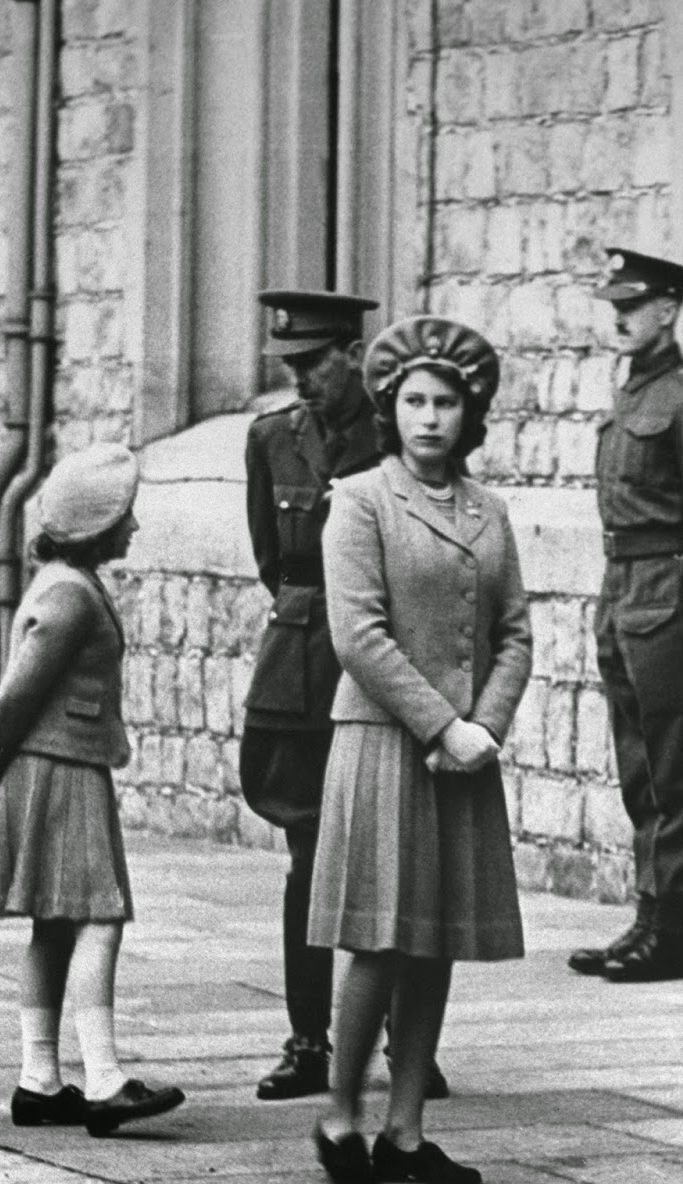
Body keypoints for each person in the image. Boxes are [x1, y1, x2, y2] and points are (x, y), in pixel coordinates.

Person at [308, 316, 532, 1184]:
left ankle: (405, 1134)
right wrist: (445, 725)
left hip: (465, 754)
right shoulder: (360, 499)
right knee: (379, 938)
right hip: (386, 743)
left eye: (446, 402)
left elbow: (515, 632)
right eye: (414, 401)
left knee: (434, 939)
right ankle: (339, 1121)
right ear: (389, 408)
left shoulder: (491, 509)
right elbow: (358, 635)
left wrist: (488, 728)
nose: (430, 418)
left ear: (469, 412)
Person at [244, 290, 447, 1101]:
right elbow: (276, 560)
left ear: (354, 357)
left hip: (385, 676)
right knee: (305, 861)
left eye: (311, 364)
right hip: (299, 675)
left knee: (396, 861)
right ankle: (308, 1041)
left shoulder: (401, 439)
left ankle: (406, 1045)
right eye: (289, 366)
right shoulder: (271, 440)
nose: (299, 382)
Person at [0, 444, 185, 1137]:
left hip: (53, 764)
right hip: (58, 770)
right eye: (124, 515)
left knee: (57, 922)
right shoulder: (68, 596)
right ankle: (103, 1078)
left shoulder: (64, 581)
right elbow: (18, 692)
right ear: (97, 524)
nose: (133, 526)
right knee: (98, 913)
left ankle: (39, 1079)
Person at [570, 249, 683, 983]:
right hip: (623, 590)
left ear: (669, 310)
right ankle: (647, 916)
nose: (619, 315)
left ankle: (671, 927)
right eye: (615, 303)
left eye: (633, 303)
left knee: (675, 765)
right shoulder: (631, 393)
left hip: (668, 593)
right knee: (639, 763)